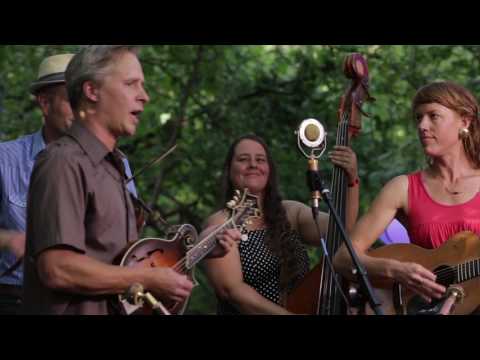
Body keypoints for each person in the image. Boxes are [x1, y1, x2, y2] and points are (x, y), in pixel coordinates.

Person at [23, 45, 239, 315]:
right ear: (92, 91)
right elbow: (57, 268)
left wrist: (199, 250)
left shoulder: (115, 167)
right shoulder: (63, 161)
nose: (145, 97)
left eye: (143, 86)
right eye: (131, 84)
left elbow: (118, 266)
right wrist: (148, 280)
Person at [334, 81, 480, 312]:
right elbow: (343, 258)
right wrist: (396, 270)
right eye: (418, 118)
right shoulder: (402, 187)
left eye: (433, 116)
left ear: (465, 121)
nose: (422, 125)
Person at [201, 134, 359, 314]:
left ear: (269, 170)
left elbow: (342, 230)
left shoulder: (291, 212)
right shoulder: (221, 222)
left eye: (260, 159)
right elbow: (232, 290)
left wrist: (351, 179)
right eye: (243, 159)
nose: (253, 164)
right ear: (229, 170)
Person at [0, 54, 76, 315]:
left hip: (87, 301)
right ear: (45, 103)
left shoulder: (115, 163)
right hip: (17, 300)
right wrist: (8, 238)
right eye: (71, 101)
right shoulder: (4, 159)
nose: (83, 111)